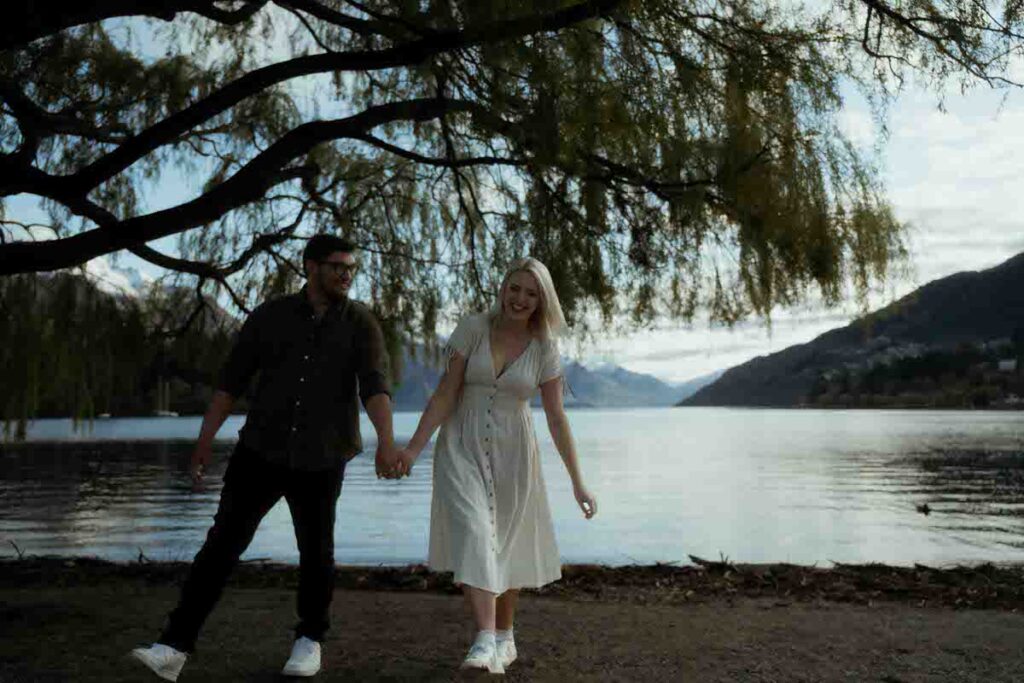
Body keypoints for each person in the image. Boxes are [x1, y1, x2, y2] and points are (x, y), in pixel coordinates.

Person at [130, 234, 405, 681]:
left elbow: (374, 387)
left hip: (322, 456)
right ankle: (173, 647)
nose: (346, 275)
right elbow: (230, 384)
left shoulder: (361, 324)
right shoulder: (269, 317)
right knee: (220, 547)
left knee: (317, 553)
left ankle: (309, 641)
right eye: (338, 266)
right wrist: (204, 442)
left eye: (352, 268)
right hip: (260, 450)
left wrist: (387, 443)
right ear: (311, 267)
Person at [398, 256, 598, 675]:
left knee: (506, 542)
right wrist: (414, 449)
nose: (520, 299)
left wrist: (579, 483)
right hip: (461, 442)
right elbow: (444, 393)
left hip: (514, 449)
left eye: (531, 293)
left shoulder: (545, 348)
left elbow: (557, 417)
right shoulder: (473, 329)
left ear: (542, 300)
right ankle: (486, 638)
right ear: (503, 288)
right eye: (515, 288)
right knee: (475, 530)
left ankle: (505, 638)